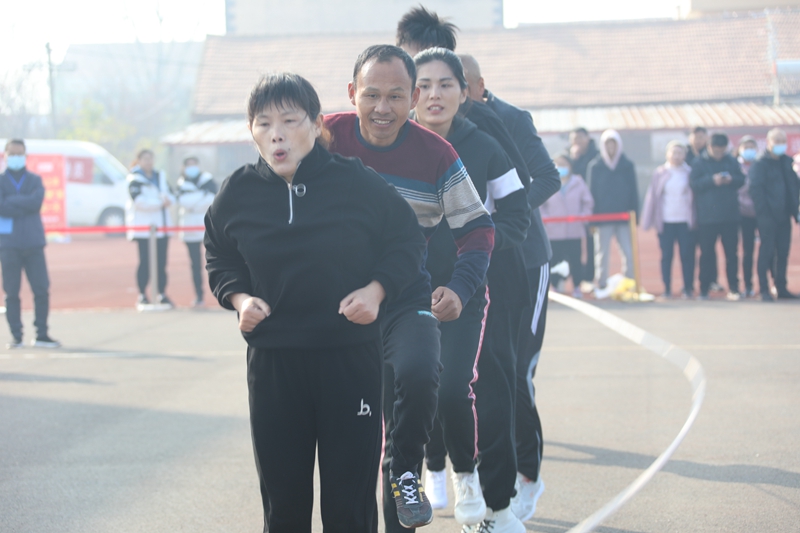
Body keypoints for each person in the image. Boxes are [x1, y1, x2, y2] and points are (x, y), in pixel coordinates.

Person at [204, 73, 426, 533]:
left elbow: (407, 241)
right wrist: (240, 299)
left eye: (289, 120)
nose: (277, 134)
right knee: (283, 504)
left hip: (349, 359)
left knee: (349, 505)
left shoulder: (356, 182)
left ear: (317, 124)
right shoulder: (237, 193)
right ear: (251, 131)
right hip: (274, 364)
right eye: (264, 123)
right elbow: (219, 254)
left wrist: (376, 290)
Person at [325, 44, 496, 531]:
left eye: (397, 96)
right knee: (356, 435)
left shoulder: (437, 154)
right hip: (336, 303)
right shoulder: (325, 137)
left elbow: (479, 230)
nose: (383, 108)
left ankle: (406, 471)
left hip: (404, 295)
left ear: (414, 98)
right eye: (372, 95)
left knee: (422, 373)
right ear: (352, 93)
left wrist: (460, 288)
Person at [412, 48, 531, 531]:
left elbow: (518, 215)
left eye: (446, 84)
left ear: (465, 92)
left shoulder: (485, 148)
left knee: (456, 390)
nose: (434, 95)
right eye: (423, 85)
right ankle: (429, 467)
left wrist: (476, 253)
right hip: (407, 295)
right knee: (414, 388)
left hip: (468, 293)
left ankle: (475, 485)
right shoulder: (396, 145)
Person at [458, 55, 560, 526]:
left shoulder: (511, 119)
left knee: (517, 371)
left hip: (524, 257)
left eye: (456, 85)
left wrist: (503, 209)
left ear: (476, 85)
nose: (440, 95)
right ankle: (479, 474)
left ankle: (528, 476)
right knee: (482, 374)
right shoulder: (437, 128)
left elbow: (548, 177)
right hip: (479, 263)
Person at [0, 139, 60, 349]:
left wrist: (12, 201)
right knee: (11, 292)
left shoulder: (35, 179)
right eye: (12, 153)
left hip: (33, 242)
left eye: (20, 153)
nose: (16, 157)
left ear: (26, 155)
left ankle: (42, 334)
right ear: (5, 155)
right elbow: (2, 207)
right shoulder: (1, 180)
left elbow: (36, 203)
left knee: (41, 289)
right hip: (9, 244)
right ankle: (16, 336)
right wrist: (22, 203)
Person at [689, 132, 745, 300]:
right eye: (716, 150)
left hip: (730, 216)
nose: (719, 153)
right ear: (709, 147)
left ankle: (734, 288)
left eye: (722, 150)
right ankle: (704, 289)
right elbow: (694, 184)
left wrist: (730, 179)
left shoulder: (731, 161)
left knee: (732, 254)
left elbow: (741, 179)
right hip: (707, 217)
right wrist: (712, 180)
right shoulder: (699, 162)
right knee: (706, 254)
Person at [748, 128, 800, 301]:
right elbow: (756, 189)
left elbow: (793, 187)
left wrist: (795, 210)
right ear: (768, 142)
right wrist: (763, 212)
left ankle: (781, 287)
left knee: (783, 252)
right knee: (767, 252)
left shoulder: (787, 162)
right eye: (777, 141)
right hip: (768, 216)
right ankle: (764, 289)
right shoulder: (760, 163)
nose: (780, 145)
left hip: (785, 215)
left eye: (782, 141)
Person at [641, 142, 695, 298]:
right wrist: (646, 221)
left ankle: (688, 288)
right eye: (674, 153)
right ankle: (667, 288)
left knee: (687, 255)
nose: (676, 156)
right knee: (666, 256)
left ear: (684, 155)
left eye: (680, 153)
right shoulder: (660, 173)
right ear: (667, 155)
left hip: (685, 220)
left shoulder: (689, 172)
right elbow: (652, 197)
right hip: (666, 221)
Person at [587, 129, 639, 289]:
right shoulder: (595, 166)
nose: (611, 147)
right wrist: (592, 219)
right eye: (608, 144)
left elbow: (634, 191)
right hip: (602, 218)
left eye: (613, 144)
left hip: (624, 217)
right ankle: (601, 282)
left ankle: (629, 281)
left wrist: (635, 215)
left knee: (628, 251)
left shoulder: (627, 165)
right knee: (602, 252)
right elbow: (591, 193)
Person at [125, 149, 175, 308]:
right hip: (145, 229)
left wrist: (168, 200)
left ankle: (161, 293)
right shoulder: (134, 179)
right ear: (139, 161)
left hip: (162, 227)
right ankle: (142, 294)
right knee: (145, 263)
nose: (148, 162)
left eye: (151, 158)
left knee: (161, 263)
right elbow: (139, 202)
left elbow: (172, 195)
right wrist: (160, 203)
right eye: (145, 159)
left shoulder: (160, 176)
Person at [540, 154, 593, 297]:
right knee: (555, 259)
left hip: (574, 230)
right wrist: (546, 218)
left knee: (575, 259)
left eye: (564, 164)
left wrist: (583, 216)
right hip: (554, 231)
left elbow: (588, 202)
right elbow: (541, 204)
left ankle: (576, 286)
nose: (561, 167)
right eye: (558, 164)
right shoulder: (549, 181)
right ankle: (555, 285)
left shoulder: (578, 182)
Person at [175, 157, 217, 306]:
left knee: (215, 261)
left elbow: (212, 199)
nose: (192, 167)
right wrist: (201, 196)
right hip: (189, 229)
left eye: (194, 164)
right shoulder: (181, 183)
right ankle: (199, 295)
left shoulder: (208, 180)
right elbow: (183, 202)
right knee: (195, 264)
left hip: (208, 227)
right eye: (189, 165)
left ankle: (219, 292)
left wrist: (194, 202)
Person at [569, 127, 600, 290]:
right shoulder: (568, 156)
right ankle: (572, 278)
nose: (578, 141)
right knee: (572, 245)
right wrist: (573, 159)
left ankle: (589, 276)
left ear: (588, 138)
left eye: (581, 138)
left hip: (591, 206)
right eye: (575, 139)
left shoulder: (597, 156)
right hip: (571, 208)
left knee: (591, 243)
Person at [736, 136, 760, 297]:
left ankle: (770, 284)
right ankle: (747, 285)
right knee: (747, 251)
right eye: (746, 147)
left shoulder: (760, 165)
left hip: (761, 212)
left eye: (752, 147)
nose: (749, 150)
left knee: (768, 249)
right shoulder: (735, 166)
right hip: (742, 213)